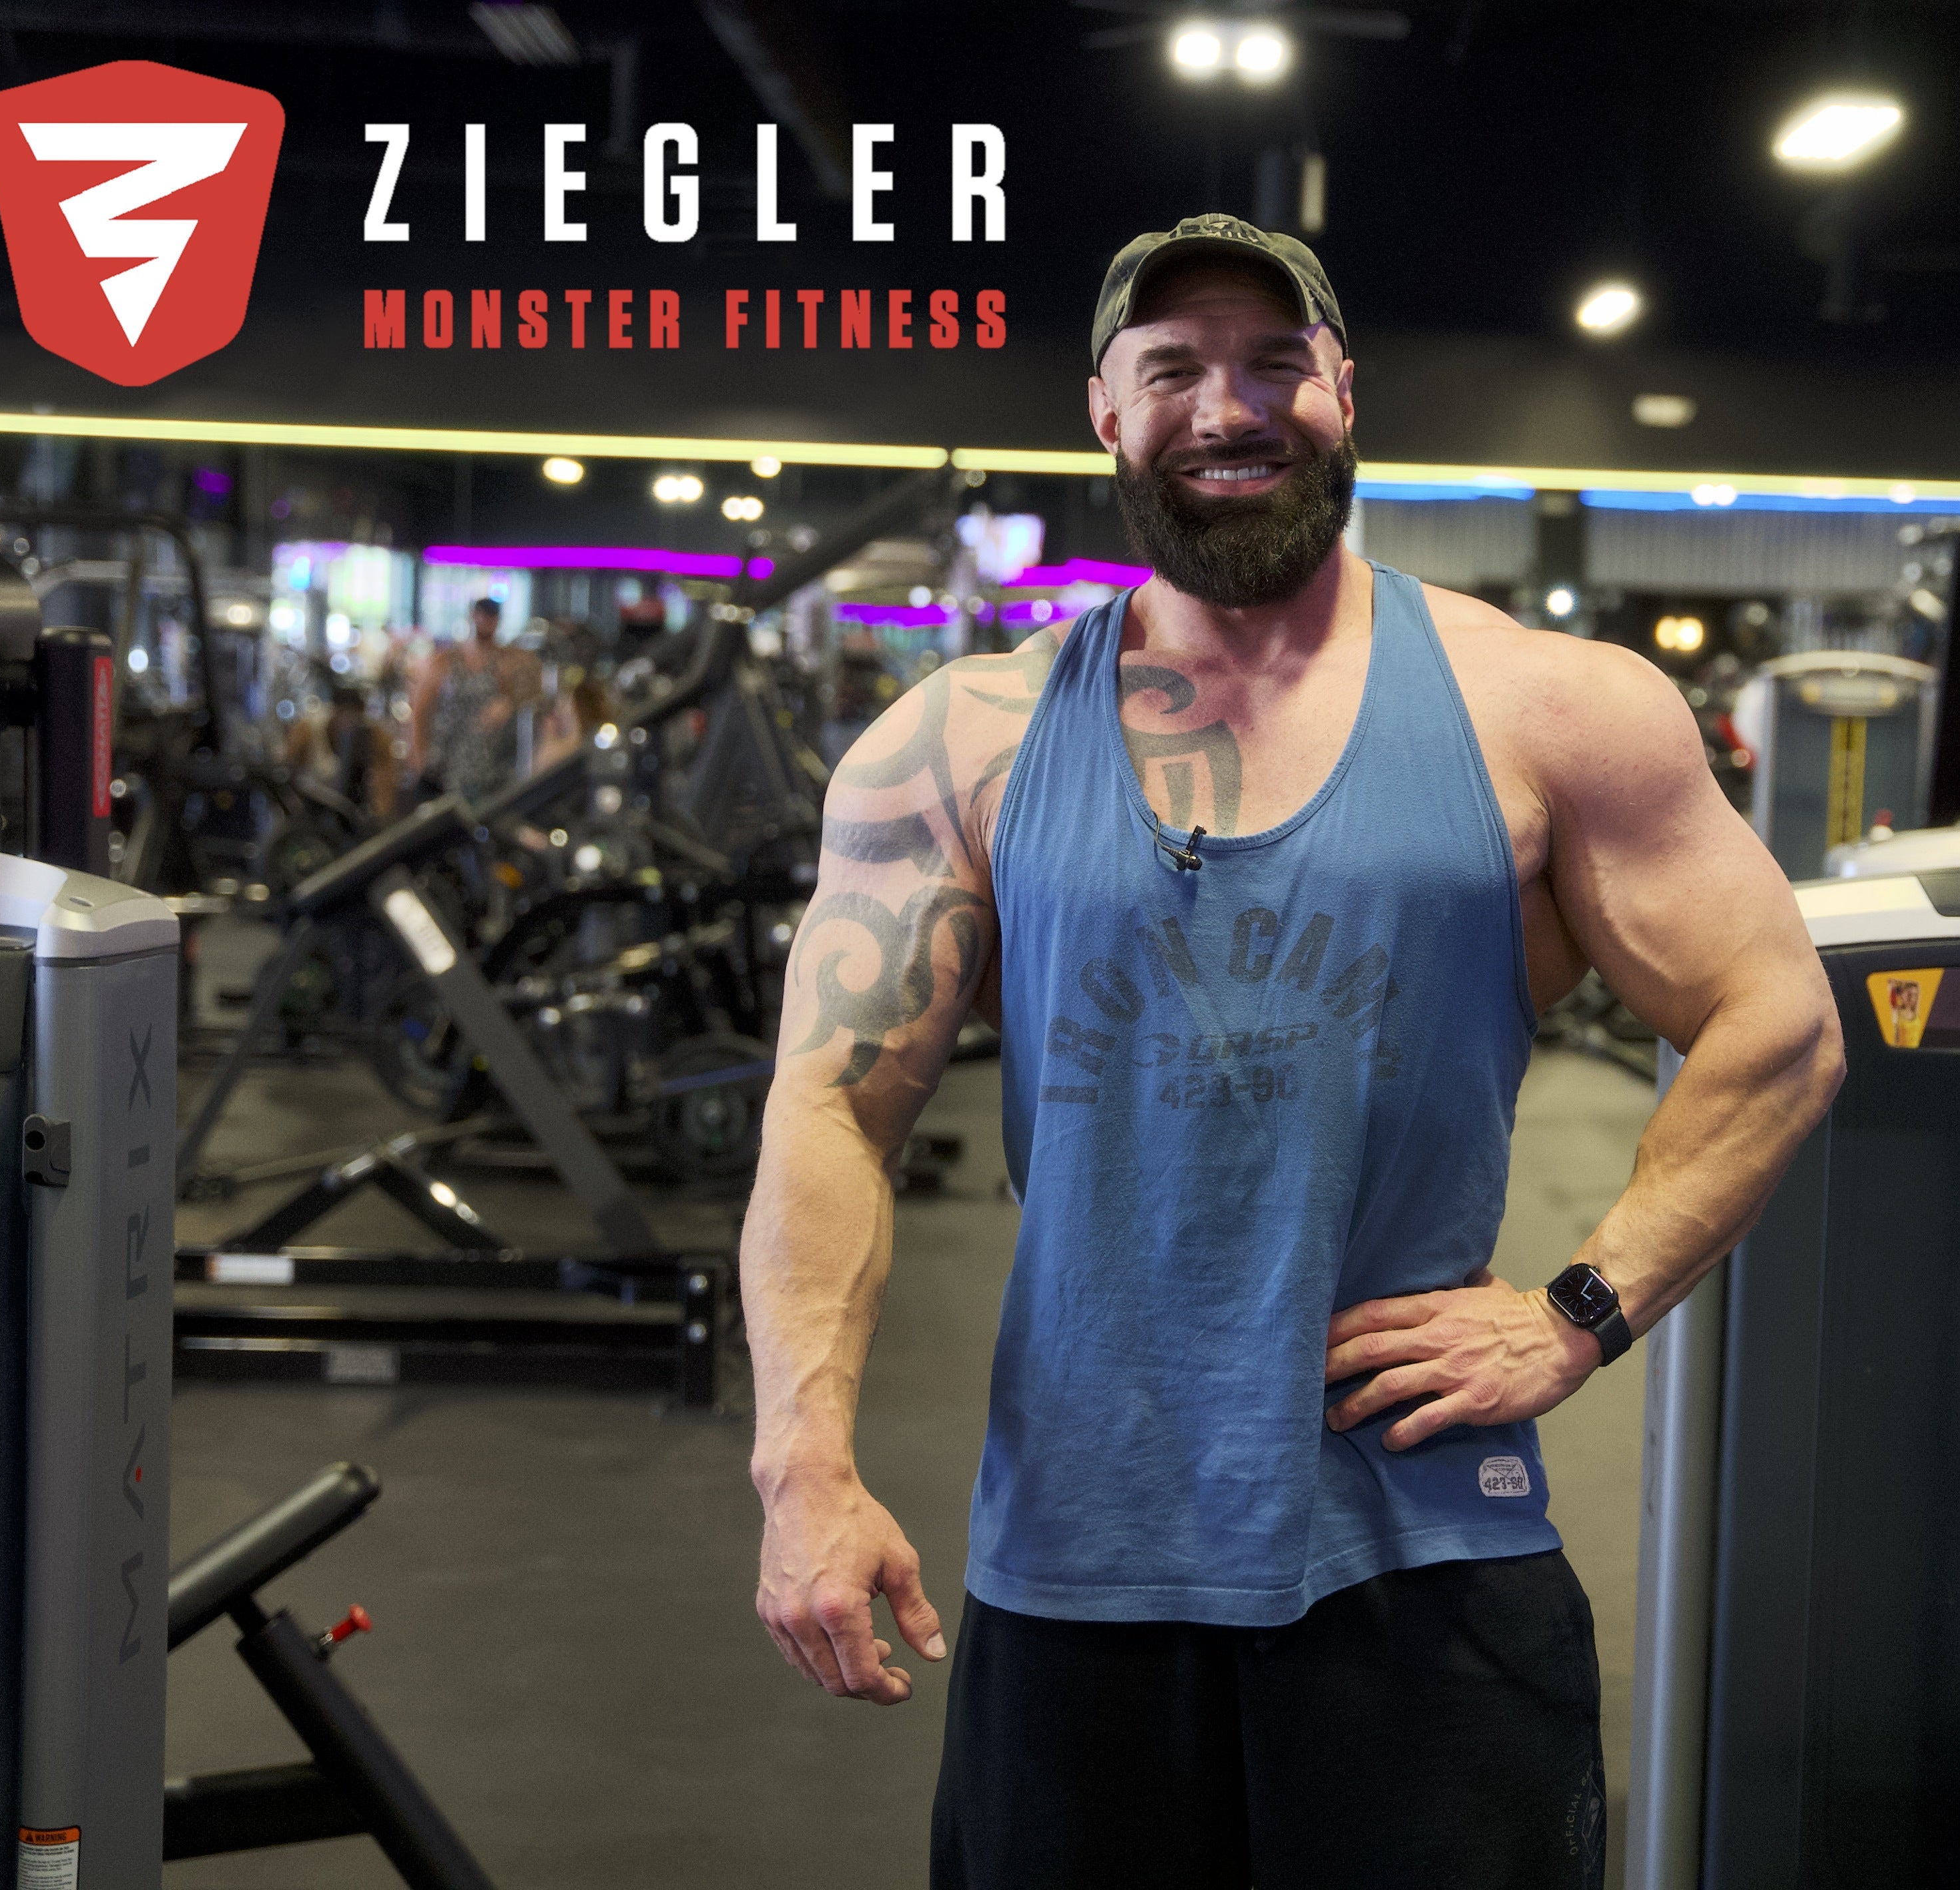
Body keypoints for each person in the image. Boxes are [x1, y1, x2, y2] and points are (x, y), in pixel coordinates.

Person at [739, 214, 1845, 1890]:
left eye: (1271, 362)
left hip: (1425, 1556)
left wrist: (1577, 1306)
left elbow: (1776, 1021)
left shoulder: (1545, 706)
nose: (1225, 405)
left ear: (1342, 389)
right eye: (1170, 365)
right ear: (1102, 411)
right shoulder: (956, 742)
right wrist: (800, 1464)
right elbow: (829, 1103)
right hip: (1072, 1572)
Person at [408, 596, 539, 803]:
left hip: (485, 768)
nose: (486, 622)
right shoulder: (446, 661)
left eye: (492, 617)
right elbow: (420, 709)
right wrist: (418, 756)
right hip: (443, 765)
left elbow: (534, 687)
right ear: (472, 617)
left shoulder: (507, 661)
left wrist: (509, 703)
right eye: (482, 616)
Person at [282, 679, 398, 822]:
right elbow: (287, 769)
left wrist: (380, 818)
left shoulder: (374, 735)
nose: (348, 722)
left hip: (350, 810)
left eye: (354, 717)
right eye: (344, 715)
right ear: (334, 711)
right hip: (310, 808)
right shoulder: (307, 730)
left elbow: (385, 782)